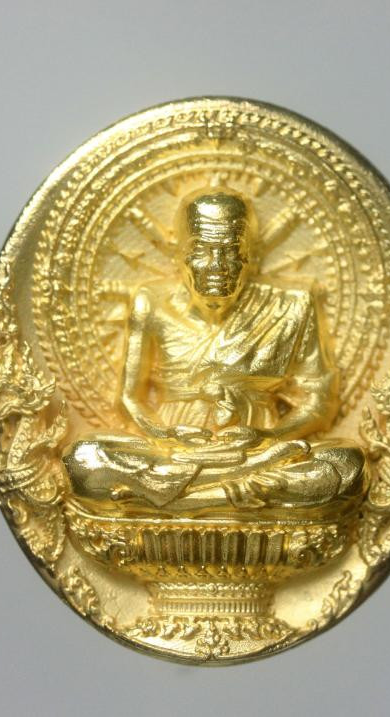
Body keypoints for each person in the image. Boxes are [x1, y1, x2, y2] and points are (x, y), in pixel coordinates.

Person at [63, 188, 366, 512]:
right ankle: (239, 493)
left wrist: (267, 435)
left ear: (250, 256)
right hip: (174, 453)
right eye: (202, 250)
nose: (218, 265)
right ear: (179, 255)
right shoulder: (151, 303)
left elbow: (320, 402)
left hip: (257, 453)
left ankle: (173, 497)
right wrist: (165, 434)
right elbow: (128, 398)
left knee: (347, 463)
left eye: (230, 251)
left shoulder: (292, 307)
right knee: (84, 457)